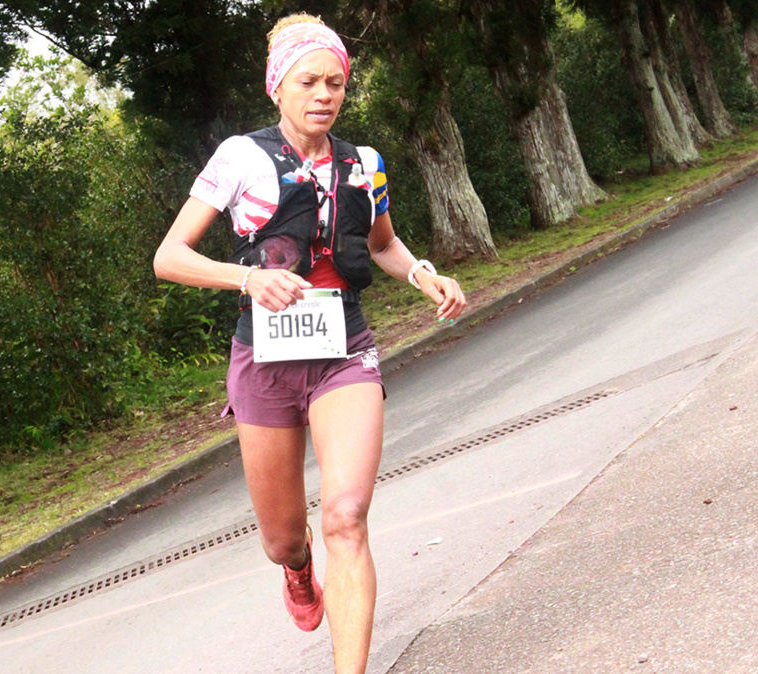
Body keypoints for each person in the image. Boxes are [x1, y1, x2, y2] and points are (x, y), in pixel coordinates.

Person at [152, 14, 466, 673]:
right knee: (284, 538)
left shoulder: (365, 164)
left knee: (346, 517)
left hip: (343, 352)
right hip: (264, 363)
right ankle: (298, 572)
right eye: (309, 82)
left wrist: (423, 275)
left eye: (335, 84)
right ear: (278, 87)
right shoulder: (241, 158)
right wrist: (247, 276)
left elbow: (381, 245)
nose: (324, 94)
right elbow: (169, 257)